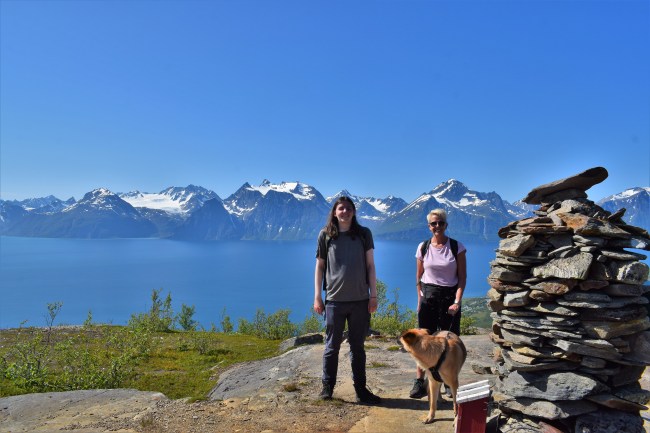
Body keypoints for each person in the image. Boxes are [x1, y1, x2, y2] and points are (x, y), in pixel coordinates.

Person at [314, 196, 381, 404]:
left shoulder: (363, 234)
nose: (345, 212)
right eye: (341, 208)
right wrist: (317, 296)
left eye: (349, 208)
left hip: (360, 300)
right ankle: (327, 387)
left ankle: (361, 390)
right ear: (334, 212)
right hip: (334, 300)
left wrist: (373, 295)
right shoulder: (326, 235)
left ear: (354, 212)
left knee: (357, 348)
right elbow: (320, 266)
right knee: (331, 346)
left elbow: (370, 266)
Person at [409, 208, 467, 399]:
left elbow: (462, 278)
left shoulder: (457, 247)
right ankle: (420, 382)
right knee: (423, 342)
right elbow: (418, 277)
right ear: (429, 226)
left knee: (450, 342)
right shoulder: (423, 247)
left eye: (441, 222)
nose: (437, 226)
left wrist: (457, 302)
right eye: (434, 223)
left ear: (446, 225)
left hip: (450, 300)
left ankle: (449, 381)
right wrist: (420, 300)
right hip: (429, 298)